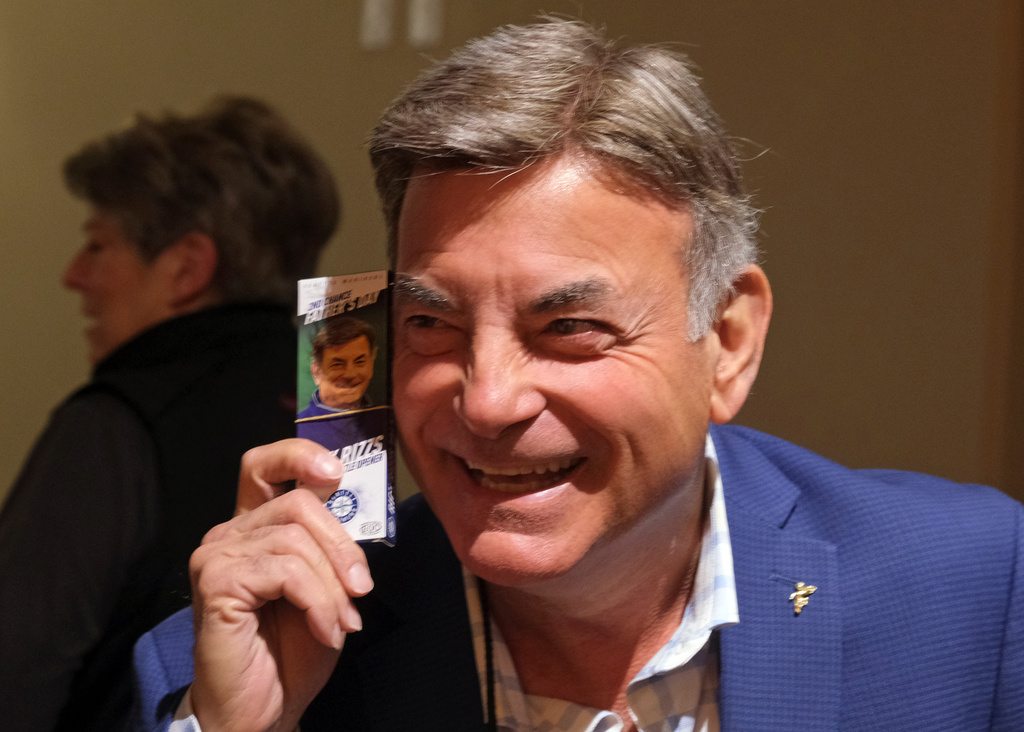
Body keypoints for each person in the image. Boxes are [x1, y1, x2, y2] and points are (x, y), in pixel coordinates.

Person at [133, 20, 1022, 732]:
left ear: (729, 339)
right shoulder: (240, 656)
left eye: (568, 328)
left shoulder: (973, 590)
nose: (486, 401)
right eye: (432, 325)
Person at [0, 96, 339, 731]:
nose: (75, 277)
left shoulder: (111, 428)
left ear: (186, 267)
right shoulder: (339, 422)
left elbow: (12, 673)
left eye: (98, 246)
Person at [298, 316, 379, 417]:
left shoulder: (385, 418)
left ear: (371, 364)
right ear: (316, 373)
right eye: (337, 365)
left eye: (359, 362)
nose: (350, 374)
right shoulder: (301, 426)